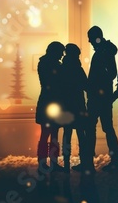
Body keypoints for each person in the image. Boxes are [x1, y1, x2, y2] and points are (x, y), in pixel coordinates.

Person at [78, 26, 118, 172]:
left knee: (93, 128)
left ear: (96, 37)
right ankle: (115, 160)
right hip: (102, 96)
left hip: (98, 97)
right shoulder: (105, 51)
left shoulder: (103, 53)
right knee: (105, 127)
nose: (89, 41)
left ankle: (88, 162)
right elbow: (111, 74)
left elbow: (111, 73)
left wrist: (94, 86)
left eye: (90, 37)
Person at [35, 41, 66, 173]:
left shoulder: (44, 63)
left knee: (47, 134)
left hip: (47, 100)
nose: (62, 55)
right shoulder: (53, 65)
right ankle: (51, 162)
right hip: (52, 101)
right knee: (52, 134)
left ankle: (43, 163)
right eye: (60, 52)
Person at [59, 43, 88, 173]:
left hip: (66, 105)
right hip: (78, 104)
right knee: (81, 133)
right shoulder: (78, 68)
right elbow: (86, 85)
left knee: (67, 133)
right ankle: (83, 161)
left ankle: (66, 162)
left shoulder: (63, 68)